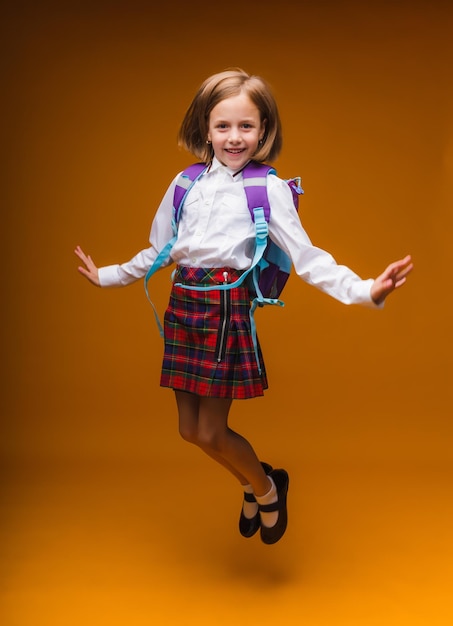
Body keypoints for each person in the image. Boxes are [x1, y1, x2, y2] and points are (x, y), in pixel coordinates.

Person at [75, 68, 413, 545]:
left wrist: (366, 290)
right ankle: (253, 482)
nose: (234, 137)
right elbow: (159, 251)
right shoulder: (185, 183)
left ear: (264, 130)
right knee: (189, 431)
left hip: (225, 311)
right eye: (223, 126)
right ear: (204, 129)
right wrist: (106, 275)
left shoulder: (267, 189)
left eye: (246, 126)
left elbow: (307, 259)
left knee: (213, 431)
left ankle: (268, 488)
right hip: (184, 305)